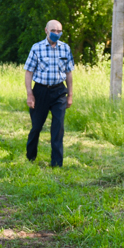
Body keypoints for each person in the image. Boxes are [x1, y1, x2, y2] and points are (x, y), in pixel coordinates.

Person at [23, 20, 74, 167]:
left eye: (59, 31)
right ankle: (30, 157)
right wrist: (29, 94)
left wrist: (70, 95)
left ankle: (57, 163)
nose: (56, 34)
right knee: (36, 127)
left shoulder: (65, 49)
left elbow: (69, 73)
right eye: (53, 31)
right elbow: (29, 72)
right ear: (46, 30)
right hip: (41, 91)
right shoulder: (37, 48)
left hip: (59, 92)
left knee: (58, 128)